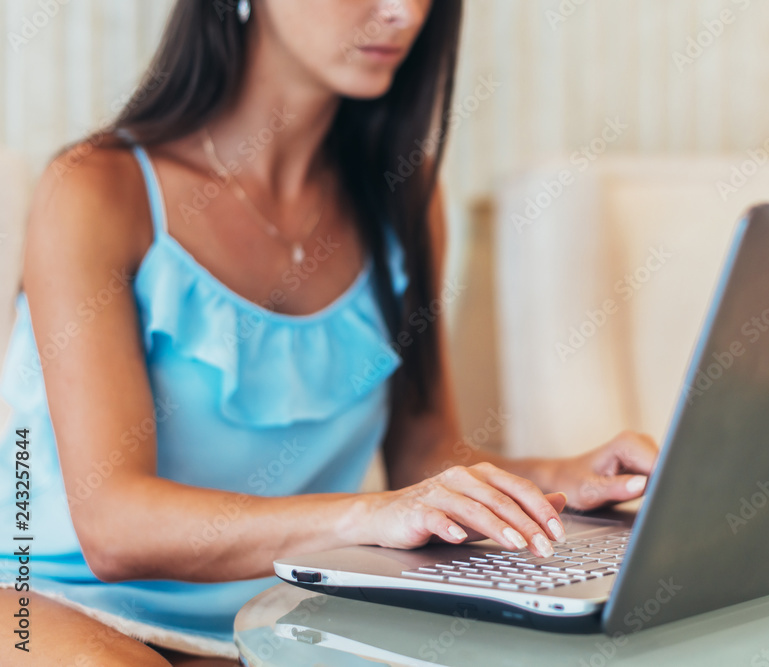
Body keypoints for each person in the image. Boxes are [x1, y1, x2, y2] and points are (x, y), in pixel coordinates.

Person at [0, 0, 658, 664]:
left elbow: (424, 454)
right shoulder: (94, 191)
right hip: (48, 601)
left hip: (275, 619)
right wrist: (367, 514)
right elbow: (113, 528)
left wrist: (558, 481)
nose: (404, 13)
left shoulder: (404, 200)